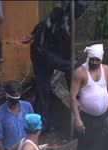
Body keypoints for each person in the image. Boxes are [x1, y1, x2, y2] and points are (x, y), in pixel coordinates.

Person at [21, 2, 87, 131]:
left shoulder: (66, 17)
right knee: (45, 86)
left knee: (43, 87)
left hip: (45, 52)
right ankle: (43, 124)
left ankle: (41, 121)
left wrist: (33, 34)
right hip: (42, 54)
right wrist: (76, 95)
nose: (81, 13)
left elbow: (44, 24)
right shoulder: (62, 20)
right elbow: (68, 59)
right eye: (81, 10)